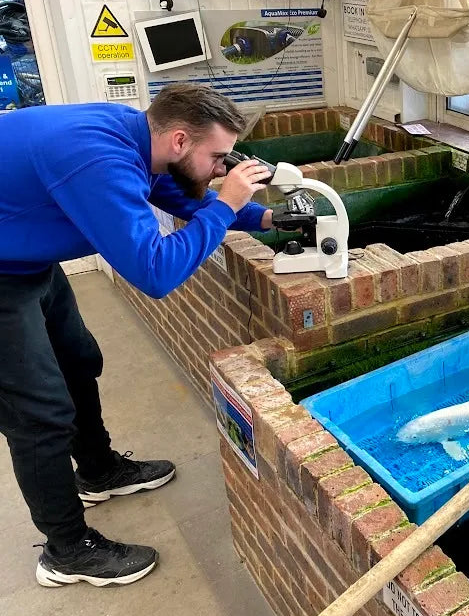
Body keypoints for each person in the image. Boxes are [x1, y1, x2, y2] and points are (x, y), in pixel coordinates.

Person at [0, 83, 274, 587]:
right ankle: (66, 552)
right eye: (217, 156)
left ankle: (98, 470)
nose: (222, 168)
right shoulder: (95, 159)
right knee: (37, 414)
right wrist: (226, 202)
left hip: (23, 261)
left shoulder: (133, 133)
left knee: (79, 359)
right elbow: (154, 271)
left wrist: (263, 217)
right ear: (177, 140)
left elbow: (162, 188)